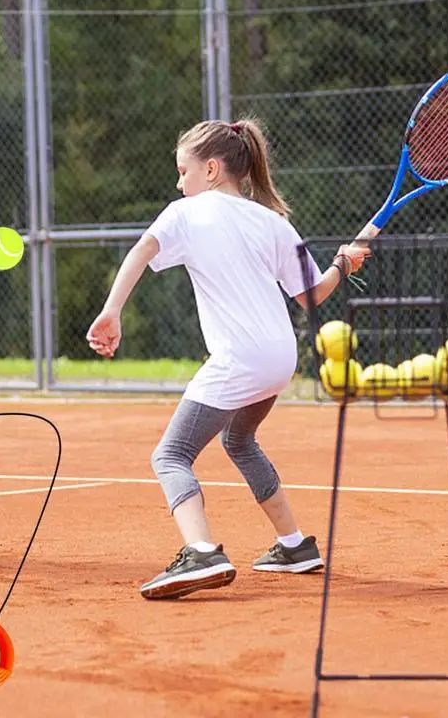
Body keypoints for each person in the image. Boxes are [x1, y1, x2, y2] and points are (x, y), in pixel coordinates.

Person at [86, 118, 369, 600]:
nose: (179, 183)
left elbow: (140, 252)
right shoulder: (274, 221)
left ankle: (200, 551)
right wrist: (342, 263)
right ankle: (295, 545)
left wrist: (111, 311)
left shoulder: (185, 212)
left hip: (240, 359)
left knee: (170, 455)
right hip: (280, 358)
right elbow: (313, 295)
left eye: (184, 171)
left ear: (212, 169)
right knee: (239, 440)